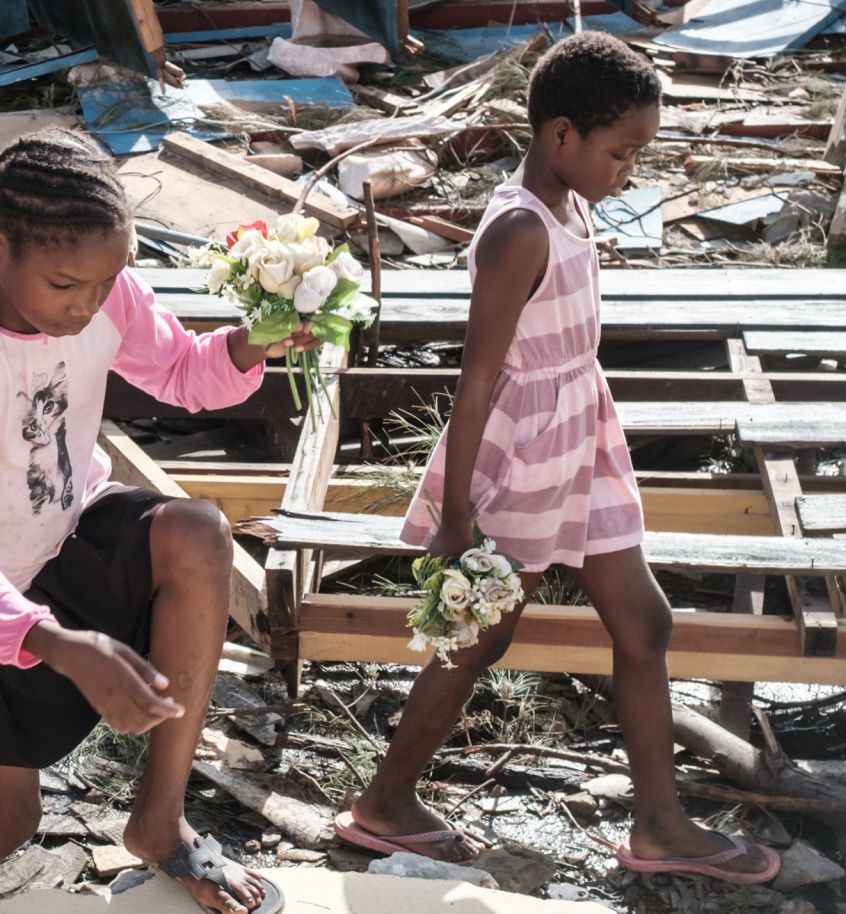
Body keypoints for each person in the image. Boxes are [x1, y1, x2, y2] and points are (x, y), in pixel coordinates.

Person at [0, 128, 315, 914]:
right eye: (64, 286)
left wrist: (251, 343)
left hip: (62, 536)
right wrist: (57, 643)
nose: (88, 306)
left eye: (104, 283)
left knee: (198, 534)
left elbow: (186, 375)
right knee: (7, 816)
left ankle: (159, 821)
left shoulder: (102, 294)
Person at [334, 33, 780, 885]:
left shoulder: (571, 203)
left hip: (584, 429)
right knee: (480, 635)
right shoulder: (516, 231)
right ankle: (385, 802)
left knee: (644, 621)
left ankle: (659, 824)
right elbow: (477, 383)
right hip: (528, 449)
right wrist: (457, 515)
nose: (630, 171)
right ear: (561, 135)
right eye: (623, 152)